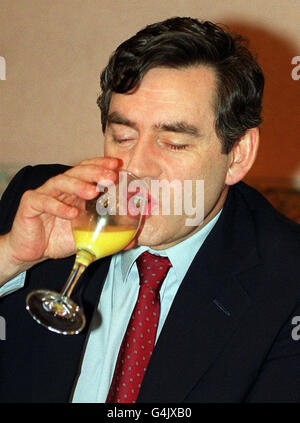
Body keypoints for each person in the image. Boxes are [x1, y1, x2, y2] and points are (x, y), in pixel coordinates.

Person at [0, 17, 299, 403]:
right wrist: (9, 256)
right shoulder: (42, 204)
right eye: (122, 136)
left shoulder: (287, 281)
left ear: (238, 154)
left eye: (173, 143)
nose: (137, 166)